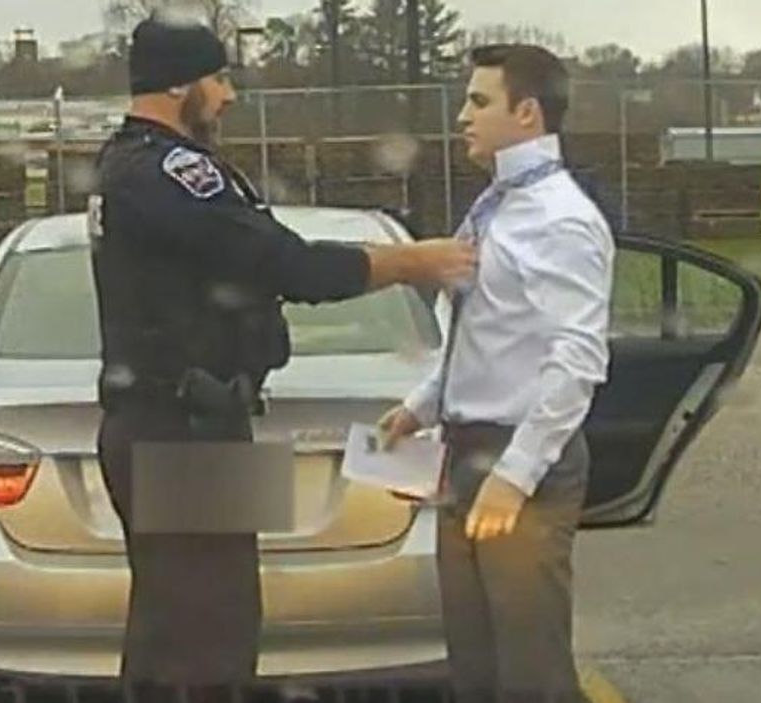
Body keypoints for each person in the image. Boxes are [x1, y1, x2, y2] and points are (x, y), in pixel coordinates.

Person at [89, 15, 477, 701]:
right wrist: (411, 260)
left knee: (179, 621)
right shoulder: (167, 171)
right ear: (179, 83)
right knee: (210, 633)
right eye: (218, 77)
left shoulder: (136, 164)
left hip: (196, 417)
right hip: (185, 426)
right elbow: (284, 263)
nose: (229, 95)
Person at [377, 44, 615, 703]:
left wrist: (515, 476)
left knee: (528, 669)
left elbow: (576, 359)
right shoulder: (499, 205)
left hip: (519, 459)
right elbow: (486, 327)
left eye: (479, 101)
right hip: (465, 451)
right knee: (474, 662)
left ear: (528, 113)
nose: (462, 116)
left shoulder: (558, 219)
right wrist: (421, 406)